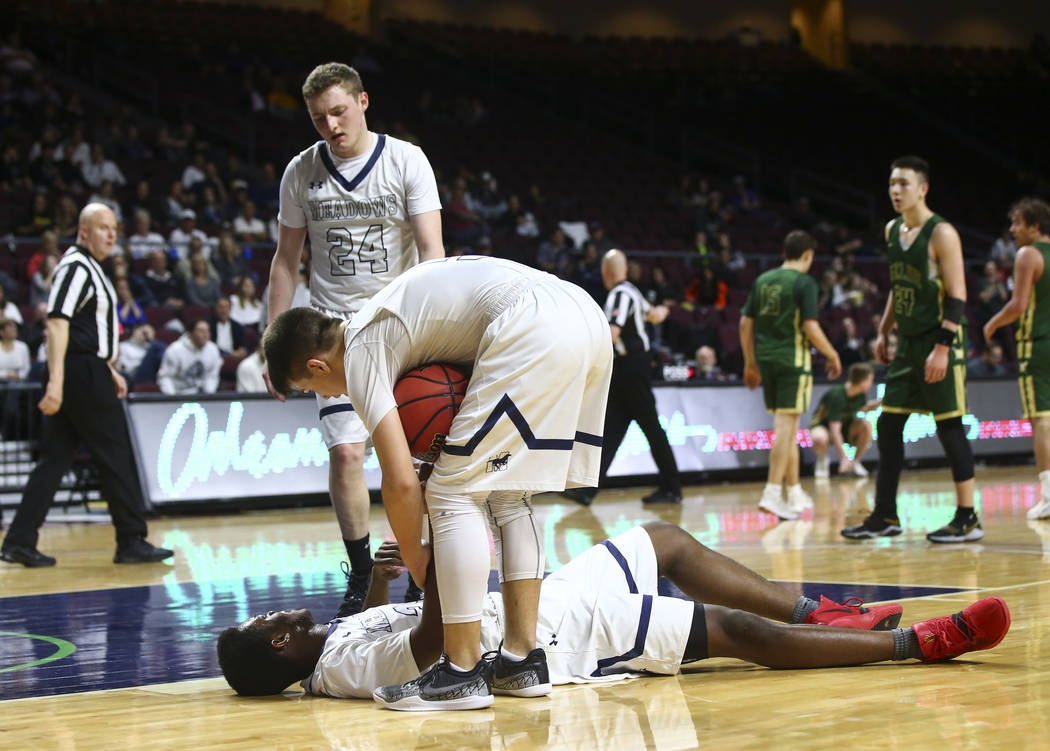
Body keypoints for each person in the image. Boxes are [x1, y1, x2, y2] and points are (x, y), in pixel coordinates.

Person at [263, 254, 612, 711]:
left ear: (317, 364)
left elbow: (400, 481)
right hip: (584, 316)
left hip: (531, 322)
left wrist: (417, 555)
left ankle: (463, 672)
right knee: (509, 494)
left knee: (452, 491)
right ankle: (521, 660)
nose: (327, 396)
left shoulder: (363, 348)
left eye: (313, 388)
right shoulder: (383, 316)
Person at [215, 521, 1011, 701]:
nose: (274, 612)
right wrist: (436, 552)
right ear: (282, 647)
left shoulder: (337, 634)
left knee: (665, 540)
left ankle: (826, 613)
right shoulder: (340, 668)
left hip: (536, 600)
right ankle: (917, 643)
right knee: (734, 633)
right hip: (561, 640)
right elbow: (431, 644)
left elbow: (407, 620)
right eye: (264, 624)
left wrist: (394, 579)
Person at [266, 61, 444, 619]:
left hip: (399, 325)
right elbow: (285, 260)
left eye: (339, 112)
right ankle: (363, 568)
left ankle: (420, 564)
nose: (331, 126)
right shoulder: (301, 172)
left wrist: (432, 329)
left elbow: (432, 251)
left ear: (363, 102)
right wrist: (275, 345)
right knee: (346, 454)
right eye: (319, 118)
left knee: (418, 459)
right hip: (334, 333)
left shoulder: (406, 160)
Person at [0, 204, 172, 566]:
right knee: (116, 452)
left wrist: (108, 368)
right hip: (77, 373)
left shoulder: (90, 268)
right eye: (102, 228)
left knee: (55, 460)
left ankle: (18, 540)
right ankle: (131, 540)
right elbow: (58, 323)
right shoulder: (75, 266)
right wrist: (57, 382)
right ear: (83, 232)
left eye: (114, 228)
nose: (111, 235)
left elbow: (82, 331)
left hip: (86, 369)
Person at [841, 156, 980, 544]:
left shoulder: (942, 233)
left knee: (949, 425)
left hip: (941, 340)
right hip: (908, 343)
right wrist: (885, 330)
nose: (896, 191)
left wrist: (942, 347)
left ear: (923, 188)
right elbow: (897, 286)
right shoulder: (891, 230)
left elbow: (957, 296)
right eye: (891, 184)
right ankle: (885, 514)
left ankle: (968, 517)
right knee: (888, 424)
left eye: (903, 183)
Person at [564, 249, 681, 506]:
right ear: (625, 271)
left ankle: (672, 488)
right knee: (612, 430)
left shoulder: (619, 294)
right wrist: (665, 309)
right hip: (631, 368)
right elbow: (655, 315)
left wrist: (586, 358)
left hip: (631, 368)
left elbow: (612, 332)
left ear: (606, 273)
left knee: (651, 428)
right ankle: (587, 490)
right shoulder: (634, 292)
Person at [741, 230, 842, 521]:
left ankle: (794, 490)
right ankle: (772, 492)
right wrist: (832, 353)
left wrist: (750, 363)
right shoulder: (804, 282)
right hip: (792, 361)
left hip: (766, 361)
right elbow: (810, 327)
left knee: (789, 424)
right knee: (785, 428)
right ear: (808, 255)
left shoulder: (762, 280)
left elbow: (745, 324)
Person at [983, 197, 1050, 521]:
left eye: (1018, 223)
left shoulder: (1028, 254)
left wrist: (992, 322)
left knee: (1041, 420)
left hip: (1036, 345)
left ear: (1035, 226)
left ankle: (1049, 494)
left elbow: (1019, 305)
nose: (1012, 230)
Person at [810, 362, 880, 479]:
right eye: (870, 380)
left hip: (845, 427)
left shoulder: (860, 394)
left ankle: (855, 463)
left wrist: (881, 401)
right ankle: (822, 461)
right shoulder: (837, 395)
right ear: (862, 381)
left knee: (866, 425)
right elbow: (834, 430)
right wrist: (844, 458)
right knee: (819, 437)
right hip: (824, 427)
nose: (871, 383)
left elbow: (864, 408)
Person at [156, 318, 222, 395]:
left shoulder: (213, 349)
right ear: (191, 333)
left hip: (202, 396)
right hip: (178, 395)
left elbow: (212, 376)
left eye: (207, 331)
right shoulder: (175, 350)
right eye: (201, 331)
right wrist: (172, 399)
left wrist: (208, 396)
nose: (205, 335)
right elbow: (165, 377)